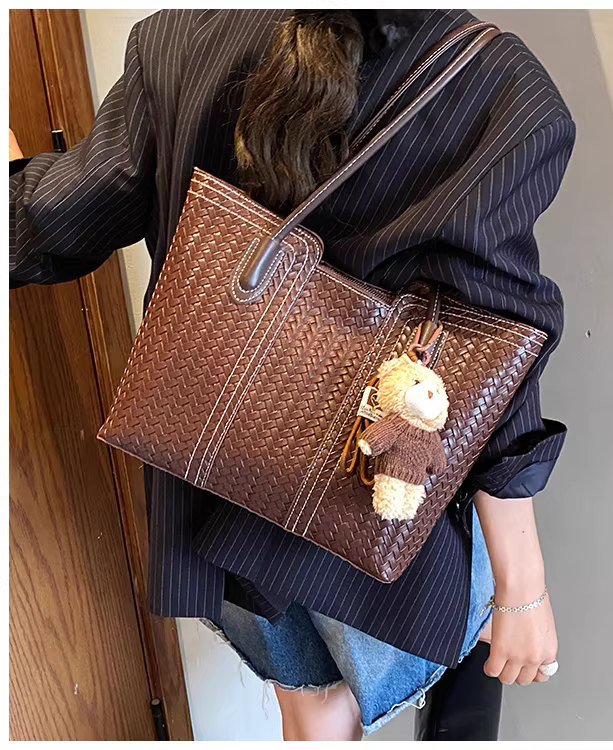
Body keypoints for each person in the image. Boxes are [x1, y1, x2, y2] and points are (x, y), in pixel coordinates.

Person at [10, 9, 574, 741]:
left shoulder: (177, 39)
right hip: (377, 498)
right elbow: (498, 347)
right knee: (410, 705)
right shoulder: (500, 88)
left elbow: (59, 216)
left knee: (311, 718)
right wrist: (522, 587)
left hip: (217, 465)